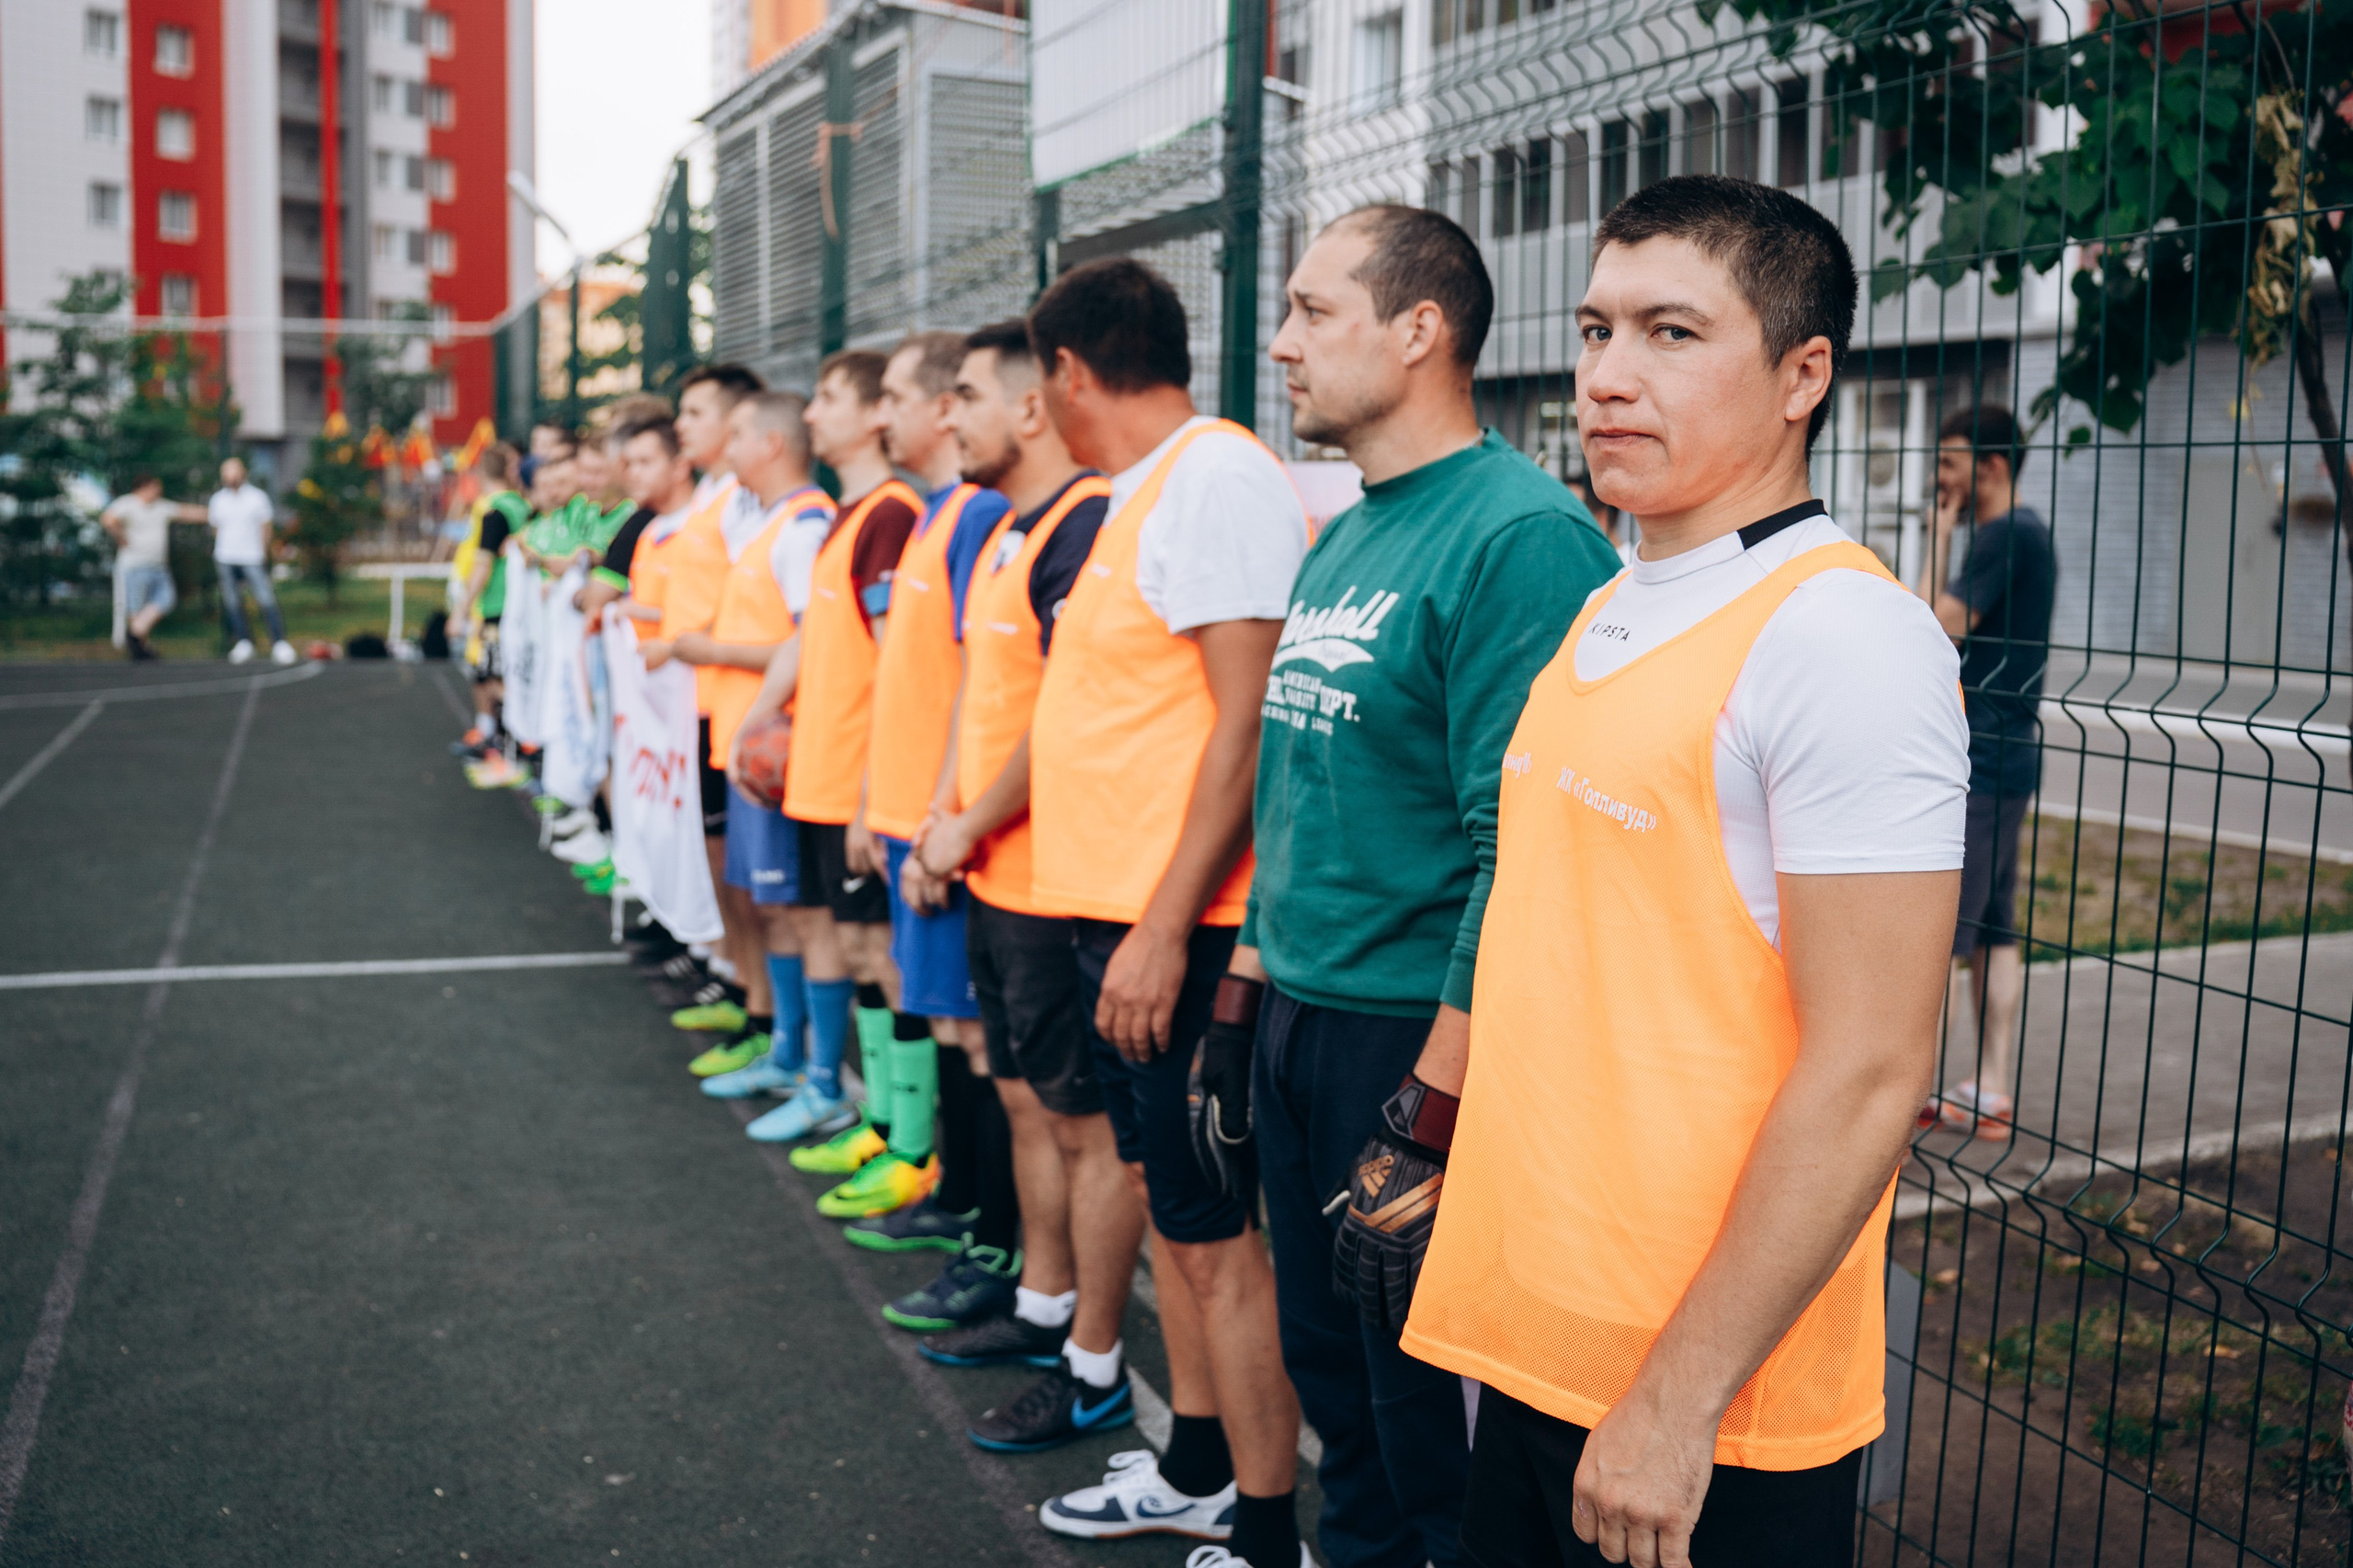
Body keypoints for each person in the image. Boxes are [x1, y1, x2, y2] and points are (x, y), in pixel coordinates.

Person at [1397, 174, 1968, 1568]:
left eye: (1670, 334)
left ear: (1802, 373)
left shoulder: (1844, 637)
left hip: (1699, 1402)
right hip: (1537, 1345)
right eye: (1596, 332)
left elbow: (1872, 1070)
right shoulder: (1616, 593)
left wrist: (1678, 1397)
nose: (1606, 377)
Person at [1243, 204, 1623, 1568]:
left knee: (1431, 1443)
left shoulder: (1519, 539)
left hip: (1408, 1040)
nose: (1281, 344)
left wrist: (1431, 1103)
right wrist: (1244, 992)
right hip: (1301, 1017)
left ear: (1420, 331)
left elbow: (1519, 844)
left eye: (1311, 312)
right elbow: (1297, 788)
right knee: (1337, 1396)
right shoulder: (1351, 527)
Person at [909, 322, 1229, 1533]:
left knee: (1108, 1144)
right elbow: (993, 704)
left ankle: (1093, 1357)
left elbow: (1077, 723)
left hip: (1079, 888)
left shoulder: (1101, 520)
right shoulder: (1026, 531)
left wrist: (962, 821)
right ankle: (1049, 1304)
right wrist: (949, 815)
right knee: (1041, 1108)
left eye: (966, 395)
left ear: (1047, 399)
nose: (946, 416)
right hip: (1023, 879)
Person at [1017, 257, 1312, 1568]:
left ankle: (1263, 1524)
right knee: (1182, 1232)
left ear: (1071, 371)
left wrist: (1159, 922)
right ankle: (1199, 1463)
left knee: (1216, 1239)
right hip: (1125, 925)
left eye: (1041, 378)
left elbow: (1247, 725)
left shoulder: (1215, 477)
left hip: (1175, 934)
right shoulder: (1146, 493)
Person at [843, 332, 1022, 1334]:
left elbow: (974, 689)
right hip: (918, 821)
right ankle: (965, 1206)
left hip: (949, 830)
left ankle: (993, 1237)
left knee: (973, 1032)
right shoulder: (942, 514)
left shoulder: (975, 515)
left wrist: (938, 813)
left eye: (928, 394)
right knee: (948, 1020)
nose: (903, 415)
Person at [724, 349, 921, 1166]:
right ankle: (876, 1118)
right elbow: (817, 639)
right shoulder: (850, 514)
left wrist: (873, 789)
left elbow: (895, 664)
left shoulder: (888, 514)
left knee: (880, 954)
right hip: (821, 775)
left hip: (855, 783)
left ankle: (908, 1140)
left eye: (831, 398)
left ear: (878, 413)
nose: (812, 414)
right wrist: (762, 716)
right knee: (851, 945)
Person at [675, 392, 838, 1089]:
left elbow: (810, 641)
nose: (727, 446)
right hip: (752, 748)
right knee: (771, 909)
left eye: (738, 433)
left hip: (783, 752)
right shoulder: (769, 526)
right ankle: (786, 1051)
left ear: (772, 445)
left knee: (798, 914)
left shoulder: (803, 529)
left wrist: (713, 651)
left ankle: (819, 1072)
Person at [1921, 404, 2055, 1141]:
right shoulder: (2023, 534)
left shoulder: (2005, 536)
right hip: (2008, 752)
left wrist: (1937, 540)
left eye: (1951, 463)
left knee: (1943, 928)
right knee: (1996, 927)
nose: (1940, 478)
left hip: (1984, 755)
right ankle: (1992, 1086)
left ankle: (1906, 1089)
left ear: (1993, 467)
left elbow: (1932, 622)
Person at [654, 363, 768, 1040]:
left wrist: (703, 648)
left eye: (693, 413)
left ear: (735, 422)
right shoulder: (718, 500)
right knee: (725, 868)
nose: (681, 426)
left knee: (746, 879)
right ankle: (739, 986)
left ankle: (755, 1004)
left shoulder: (747, 505)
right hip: (699, 706)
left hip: (730, 708)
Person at [208, 458, 296, 665]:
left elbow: (266, 526)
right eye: (226, 471)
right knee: (232, 601)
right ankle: (244, 643)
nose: (229, 476)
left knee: (265, 598)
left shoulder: (257, 497)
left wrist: (263, 551)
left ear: (242, 472)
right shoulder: (217, 500)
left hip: (252, 556)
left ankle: (279, 643)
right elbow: (215, 528)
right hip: (225, 557)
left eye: (233, 471)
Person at [101, 476, 202, 660]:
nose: (159, 491)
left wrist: (218, 513)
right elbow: (108, 519)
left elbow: (187, 512)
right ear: (144, 487)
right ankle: (140, 648)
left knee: (166, 599)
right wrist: (121, 538)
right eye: (156, 487)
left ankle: (134, 636)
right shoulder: (128, 503)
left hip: (158, 567)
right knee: (136, 608)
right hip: (134, 566)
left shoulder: (161, 507)